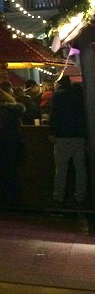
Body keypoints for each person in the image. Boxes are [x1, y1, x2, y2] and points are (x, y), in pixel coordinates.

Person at [0, 88, 25, 209]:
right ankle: (12, 201)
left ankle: (9, 202)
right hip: (14, 145)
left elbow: (3, 130)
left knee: (6, 175)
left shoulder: (4, 112)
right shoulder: (11, 110)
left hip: (5, 147)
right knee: (11, 174)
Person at [48, 77, 87, 205]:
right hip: (79, 135)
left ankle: (58, 196)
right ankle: (81, 196)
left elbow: (54, 115)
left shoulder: (57, 96)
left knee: (61, 168)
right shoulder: (80, 95)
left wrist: (52, 133)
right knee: (80, 168)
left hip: (63, 136)